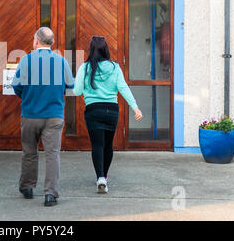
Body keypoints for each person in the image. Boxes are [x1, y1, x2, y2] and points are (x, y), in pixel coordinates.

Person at [12, 27, 74, 207]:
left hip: (30, 114)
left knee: (29, 152)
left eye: (33, 38)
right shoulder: (61, 61)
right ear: (51, 42)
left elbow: (16, 86)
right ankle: (50, 194)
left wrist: (28, 96)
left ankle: (27, 188)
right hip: (54, 115)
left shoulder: (26, 60)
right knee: (52, 154)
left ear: (37, 41)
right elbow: (70, 85)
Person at [73, 36, 143, 194]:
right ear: (106, 50)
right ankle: (104, 176)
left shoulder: (85, 68)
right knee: (108, 145)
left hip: (93, 110)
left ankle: (100, 178)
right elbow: (123, 87)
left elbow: (77, 91)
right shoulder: (114, 67)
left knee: (97, 145)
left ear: (91, 50)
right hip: (111, 111)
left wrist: (85, 87)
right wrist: (135, 107)